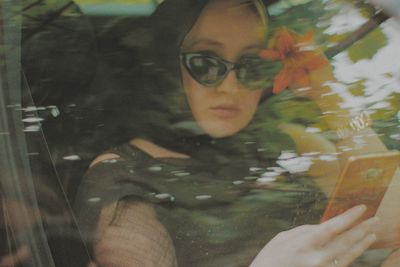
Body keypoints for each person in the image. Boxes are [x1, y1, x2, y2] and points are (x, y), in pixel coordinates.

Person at [74, 0, 400, 266]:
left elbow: (389, 223)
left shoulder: (290, 143)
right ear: (168, 67)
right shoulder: (122, 177)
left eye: (250, 65)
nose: (231, 86)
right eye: (205, 63)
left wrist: (327, 90)